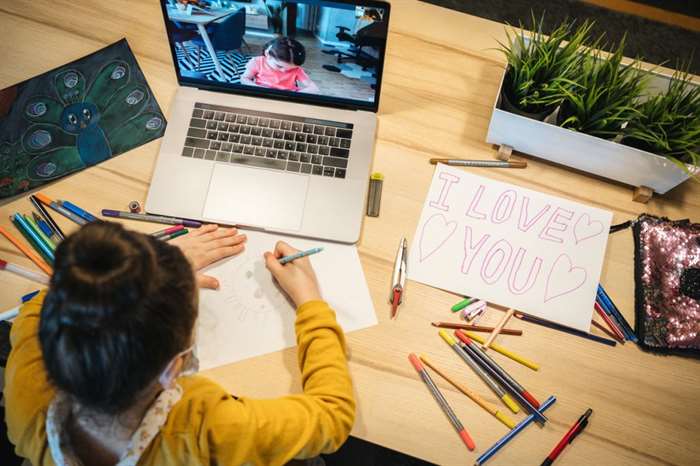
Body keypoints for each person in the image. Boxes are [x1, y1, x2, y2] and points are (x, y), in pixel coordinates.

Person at [4, 221, 354, 466]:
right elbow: (333, 415)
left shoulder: (26, 394)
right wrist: (311, 303)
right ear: (174, 368)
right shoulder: (208, 428)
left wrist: (145, 274)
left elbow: (44, 304)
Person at [240, 37, 320, 93]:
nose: (284, 70)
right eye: (279, 66)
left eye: (291, 69)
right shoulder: (257, 62)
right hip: (262, 94)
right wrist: (259, 88)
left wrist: (296, 94)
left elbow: (314, 88)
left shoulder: (297, 70)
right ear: (267, 55)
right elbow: (244, 79)